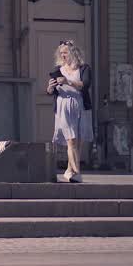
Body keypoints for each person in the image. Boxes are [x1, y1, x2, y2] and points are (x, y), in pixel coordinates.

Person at [47, 40, 93, 183]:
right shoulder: (58, 70)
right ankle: (77, 172)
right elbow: (51, 91)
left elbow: (84, 85)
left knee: (77, 143)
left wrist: (68, 81)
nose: (63, 55)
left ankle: (69, 171)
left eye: (65, 52)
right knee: (71, 141)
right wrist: (49, 87)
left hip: (80, 107)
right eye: (61, 53)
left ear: (73, 53)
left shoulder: (84, 68)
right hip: (63, 107)